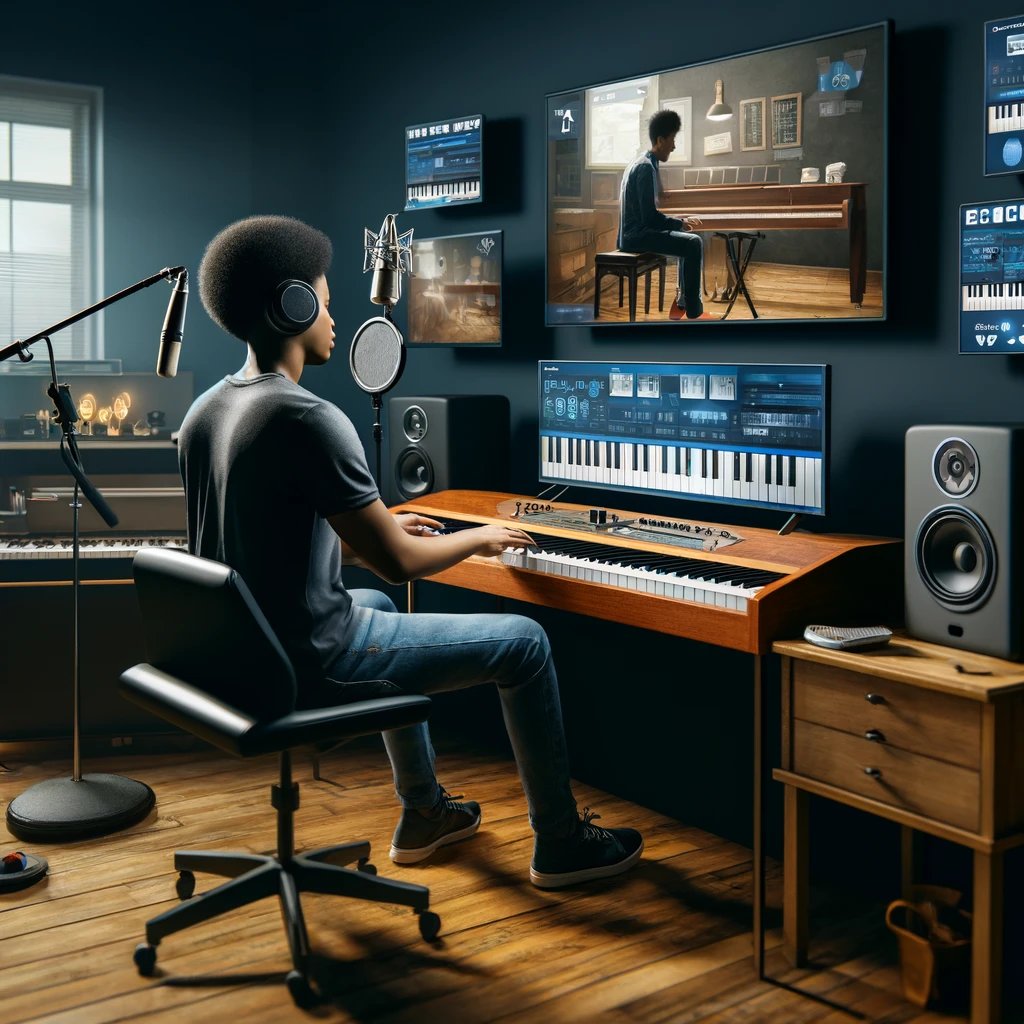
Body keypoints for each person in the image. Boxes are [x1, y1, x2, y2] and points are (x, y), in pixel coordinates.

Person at [178, 214, 643, 889]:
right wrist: (477, 536)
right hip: (310, 662)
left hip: (243, 656)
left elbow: (256, 551)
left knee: (368, 598)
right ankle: (563, 842)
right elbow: (401, 563)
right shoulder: (307, 417)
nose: (334, 319)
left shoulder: (207, 412)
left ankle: (426, 812)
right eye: (328, 302)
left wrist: (377, 545)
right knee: (525, 642)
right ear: (294, 305)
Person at [618, 109, 706, 320]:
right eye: (672, 140)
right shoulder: (645, 168)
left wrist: (678, 220)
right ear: (660, 140)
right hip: (635, 237)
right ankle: (694, 313)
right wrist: (679, 223)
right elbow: (649, 218)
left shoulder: (647, 163)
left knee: (689, 242)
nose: (674, 146)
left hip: (634, 233)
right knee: (693, 243)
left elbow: (648, 212)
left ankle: (684, 302)